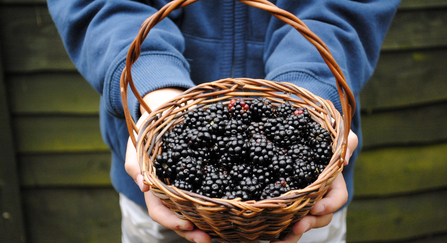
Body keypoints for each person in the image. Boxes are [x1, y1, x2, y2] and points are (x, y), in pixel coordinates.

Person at [47, 0, 401, 242]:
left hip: (300, 206)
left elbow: (345, 9)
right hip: (161, 196)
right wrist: (153, 89)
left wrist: (308, 94)